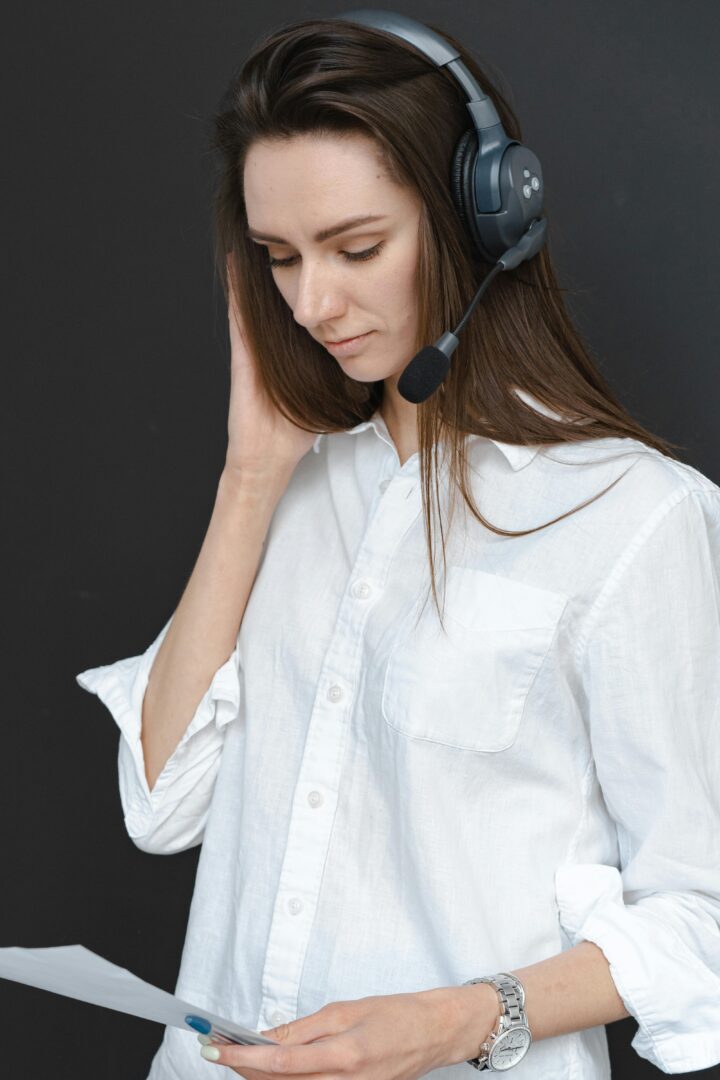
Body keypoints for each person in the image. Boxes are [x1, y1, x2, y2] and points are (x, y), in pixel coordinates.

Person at [75, 12, 720, 1080]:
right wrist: (249, 476)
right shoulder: (290, 480)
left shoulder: (632, 518)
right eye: (279, 258)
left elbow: (703, 913)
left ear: (481, 219)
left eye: (357, 247)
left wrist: (460, 1018)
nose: (313, 303)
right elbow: (162, 804)